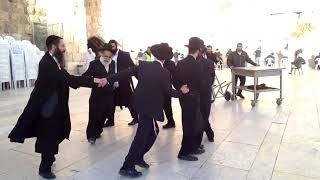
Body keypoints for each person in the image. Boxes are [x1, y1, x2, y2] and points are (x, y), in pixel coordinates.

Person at [8, 35, 104, 179]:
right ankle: (44, 169)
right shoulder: (47, 63)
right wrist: (94, 80)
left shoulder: (55, 61)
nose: (64, 49)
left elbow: (69, 78)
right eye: (62, 46)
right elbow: (69, 79)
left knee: (55, 133)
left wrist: (88, 81)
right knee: (48, 136)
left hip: (55, 106)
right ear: (54, 46)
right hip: (47, 107)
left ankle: (50, 158)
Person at [105, 43, 189, 178]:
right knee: (141, 136)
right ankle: (127, 166)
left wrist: (107, 79)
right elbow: (169, 92)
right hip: (149, 108)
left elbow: (125, 73)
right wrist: (182, 91)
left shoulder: (144, 65)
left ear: (155, 55)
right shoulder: (164, 72)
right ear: (166, 58)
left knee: (152, 134)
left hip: (140, 104)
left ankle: (138, 157)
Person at [174, 37, 206, 162]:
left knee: (192, 123)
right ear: (198, 50)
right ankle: (184, 152)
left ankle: (192, 147)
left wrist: (181, 88)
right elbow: (200, 84)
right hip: (193, 98)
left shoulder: (181, 63)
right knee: (190, 125)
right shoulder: (197, 64)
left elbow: (174, 79)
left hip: (184, 97)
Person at [83, 43, 116, 144]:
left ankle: (98, 131)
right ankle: (91, 136)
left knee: (105, 114)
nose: (107, 58)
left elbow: (113, 76)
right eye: (105, 56)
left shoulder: (113, 63)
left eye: (109, 57)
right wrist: (97, 81)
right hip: (97, 95)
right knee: (94, 115)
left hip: (109, 94)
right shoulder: (94, 64)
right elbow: (86, 77)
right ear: (101, 54)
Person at [105, 39, 139, 126]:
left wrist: (141, 78)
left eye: (113, 46)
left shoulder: (125, 55)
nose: (111, 48)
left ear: (116, 46)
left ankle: (136, 118)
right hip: (112, 83)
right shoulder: (108, 55)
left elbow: (132, 67)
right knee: (110, 103)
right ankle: (110, 121)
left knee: (129, 102)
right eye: (110, 47)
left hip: (124, 82)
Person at [198, 46, 215, 144]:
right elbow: (212, 78)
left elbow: (212, 76)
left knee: (203, 115)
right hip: (205, 92)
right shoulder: (209, 63)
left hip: (201, 92)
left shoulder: (208, 62)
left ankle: (208, 132)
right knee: (203, 114)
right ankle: (209, 133)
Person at [162, 57, 176, 129]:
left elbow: (174, 75)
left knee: (167, 105)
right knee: (166, 105)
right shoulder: (159, 62)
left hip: (166, 87)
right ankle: (170, 121)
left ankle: (171, 122)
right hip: (161, 86)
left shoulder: (170, 63)